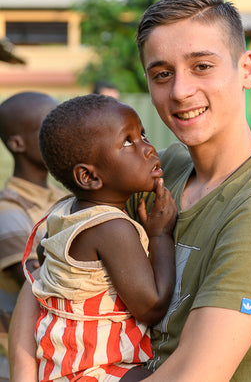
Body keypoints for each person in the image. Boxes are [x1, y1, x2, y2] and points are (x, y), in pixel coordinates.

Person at [9, 0, 251, 382]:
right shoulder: (157, 171)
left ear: (246, 69)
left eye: (201, 66)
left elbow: (193, 374)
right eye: (162, 74)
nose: (180, 91)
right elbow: (46, 269)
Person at [22, 94, 177, 381]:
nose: (148, 148)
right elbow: (152, 307)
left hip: (63, 365)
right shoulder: (110, 227)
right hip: (91, 370)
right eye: (128, 142)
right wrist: (160, 234)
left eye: (143, 135)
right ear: (89, 177)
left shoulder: (66, 211)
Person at [0, 91, 64, 377]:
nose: (61, 134)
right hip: (20, 363)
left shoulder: (64, 197)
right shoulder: (7, 209)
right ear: (17, 143)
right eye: (47, 128)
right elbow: (38, 282)